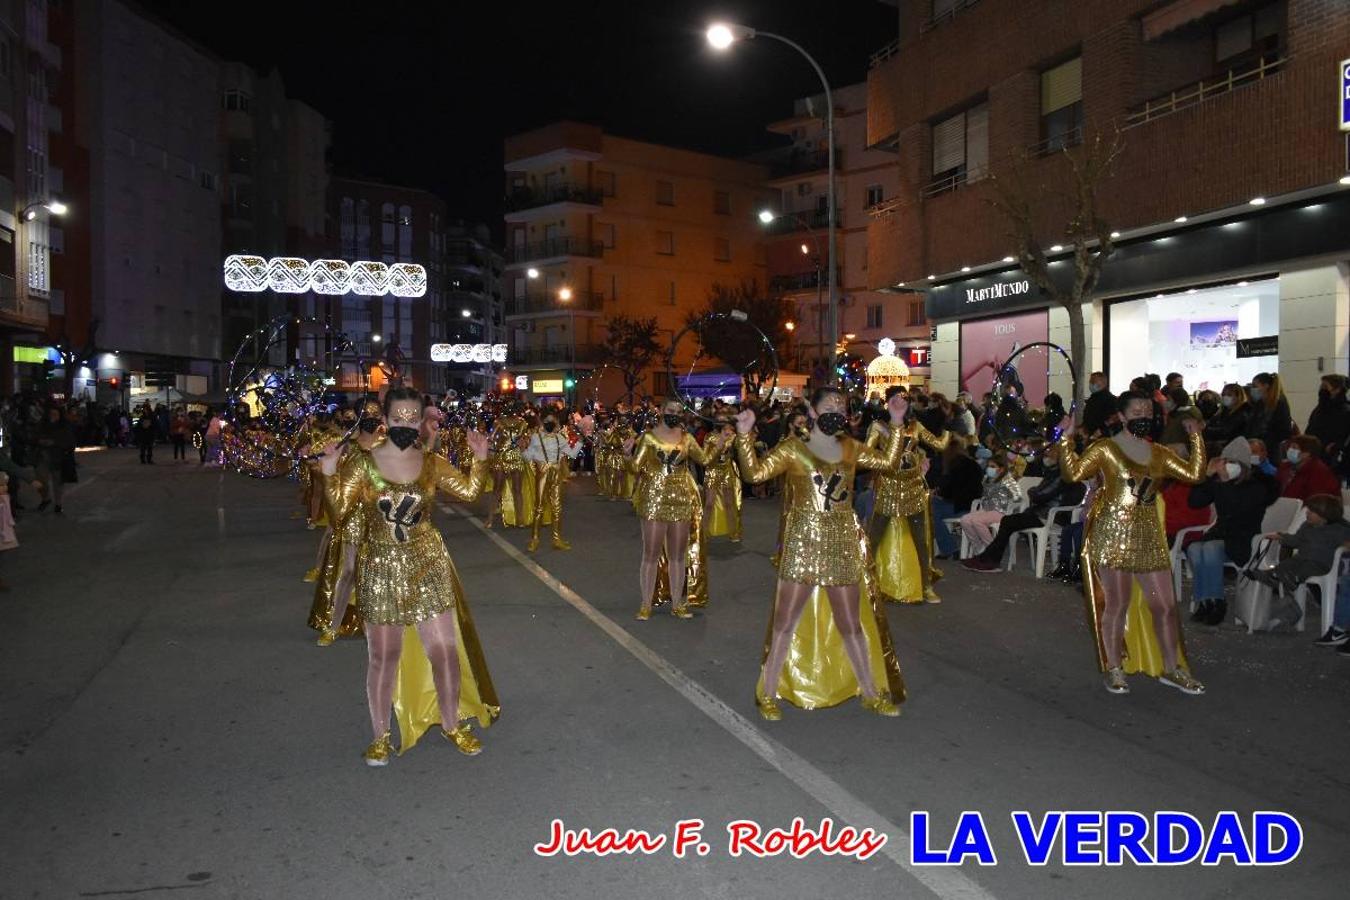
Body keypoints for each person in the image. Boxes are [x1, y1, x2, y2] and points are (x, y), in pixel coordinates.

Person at [320, 386, 497, 764]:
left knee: (445, 651)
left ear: (421, 421)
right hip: (379, 568)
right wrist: (329, 471)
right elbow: (338, 513)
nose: (404, 423)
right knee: (384, 655)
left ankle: (452, 725)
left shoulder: (432, 463)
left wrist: (480, 459)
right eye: (397, 416)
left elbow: (468, 492)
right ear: (383, 420)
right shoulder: (364, 463)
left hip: (427, 564)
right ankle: (380, 736)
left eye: (411, 417)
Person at [734, 388, 910, 720]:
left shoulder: (851, 447)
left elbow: (888, 462)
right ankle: (768, 693)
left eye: (840, 406)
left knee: (851, 624)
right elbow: (754, 474)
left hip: (842, 540)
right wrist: (744, 436)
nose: (835, 410)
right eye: (828, 406)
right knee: (785, 622)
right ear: (812, 412)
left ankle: (870, 692)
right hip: (803, 540)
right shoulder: (794, 448)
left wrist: (897, 422)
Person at [1058, 392, 1208, 696]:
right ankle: (1114, 667)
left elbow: (1194, 474)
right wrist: (1065, 438)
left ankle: (1172, 668)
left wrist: (1196, 439)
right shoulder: (1106, 449)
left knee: (1165, 606)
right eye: (1137, 411)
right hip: (1113, 537)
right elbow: (1072, 473)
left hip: (1149, 538)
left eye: (1148, 411)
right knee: (1117, 605)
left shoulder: (1160, 453)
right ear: (1122, 417)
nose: (1144, 415)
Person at [624, 398, 710, 621]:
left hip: (680, 498)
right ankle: (645, 604)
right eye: (671, 410)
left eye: (679, 411)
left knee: (678, 556)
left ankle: (678, 604)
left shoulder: (687, 438)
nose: (675, 414)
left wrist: (720, 444)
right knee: (651, 554)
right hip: (653, 498)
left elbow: (705, 459)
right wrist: (626, 453)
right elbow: (635, 467)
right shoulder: (650, 437)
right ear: (661, 411)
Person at [866, 386, 950, 603]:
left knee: (921, 540)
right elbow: (866, 454)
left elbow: (939, 445)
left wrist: (948, 424)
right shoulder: (878, 426)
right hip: (886, 487)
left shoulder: (915, 426)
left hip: (912, 487)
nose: (898, 402)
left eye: (902, 398)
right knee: (874, 538)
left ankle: (926, 586)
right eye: (893, 398)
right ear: (887, 402)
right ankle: (866, 584)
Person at [1184, 437, 1280, 626]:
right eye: (1225, 461)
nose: (1227, 466)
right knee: (1195, 548)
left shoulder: (1257, 485)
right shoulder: (1220, 481)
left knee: (1210, 548)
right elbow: (1194, 502)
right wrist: (1206, 477)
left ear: (1243, 465)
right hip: (1222, 534)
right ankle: (1204, 601)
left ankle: (1217, 602)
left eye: (1232, 463)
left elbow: (1237, 509)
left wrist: (1226, 482)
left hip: (1244, 538)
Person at [310, 399, 383, 646]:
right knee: (350, 570)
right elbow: (323, 464)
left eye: (376, 415)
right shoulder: (346, 445)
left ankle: (383, 626)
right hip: (352, 514)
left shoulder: (390, 446)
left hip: (382, 516)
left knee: (383, 571)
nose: (372, 420)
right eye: (367, 416)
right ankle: (333, 625)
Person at [963, 442, 1085, 572]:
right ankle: (988, 558)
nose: (1047, 457)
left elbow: (1040, 495)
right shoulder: (1055, 475)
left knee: (1008, 521)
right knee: (1008, 521)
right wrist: (1035, 492)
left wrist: (1033, 492)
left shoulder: (1062, 478)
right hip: (1041, 513)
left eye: (1051, 455)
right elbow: (1039, 493)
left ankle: (990, 560)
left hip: (1048, 517)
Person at [1256, 494, 1350, 630]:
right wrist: (1282, 537)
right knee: (1288, 564)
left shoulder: (1339, 530)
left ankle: (1287, 578)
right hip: (1302, 558)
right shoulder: (1307, 526)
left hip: (1323, 564)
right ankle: (1274, 574)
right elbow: (1296, 540)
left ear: (1324, 516)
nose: (1307, 513)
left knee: (1307, 568)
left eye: (1311, 512)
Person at [523, 409, 581, 552]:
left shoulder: (560, 438)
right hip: (542, 473)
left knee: (557, 507)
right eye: (547, 421)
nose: (550, 423)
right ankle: (535, 539)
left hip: (556, 474)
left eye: (552, 421)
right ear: (543, 423)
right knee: (539, 507)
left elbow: (572, 454)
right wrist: (523, 449)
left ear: (556, 423)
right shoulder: (536, 438)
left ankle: (556, 539)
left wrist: (580, 442)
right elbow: (528, 456)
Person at [956, 452, 1023, 557]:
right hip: (986, 510)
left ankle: (992, 549)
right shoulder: (987, 479)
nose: (989, 468)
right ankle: (979, 549)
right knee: (965, 520)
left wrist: (1009, 496)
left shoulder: (1008, 479)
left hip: (1001, 511)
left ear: (1001, 469)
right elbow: (982, 494)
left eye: (992, 466)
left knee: (976, 521)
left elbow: (1018, 497)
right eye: (988, 466)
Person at [485, 401, 530, 529]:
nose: (511, 411)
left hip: (514, 457)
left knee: (516, 489)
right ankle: (490, 519)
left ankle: (520, 518)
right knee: (498, 489)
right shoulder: (498, 422)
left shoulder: (522, 423)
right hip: (502, 457)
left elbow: (526, 439)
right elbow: (491, 438)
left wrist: (524, 442)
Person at [701, 416, 742, 543]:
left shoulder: (733, 436)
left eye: (727, 424)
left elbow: (744, 445)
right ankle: (703, 532)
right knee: (708, 504)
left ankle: (733, 532)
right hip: (712, 471)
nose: (727, 427)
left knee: (729, 503)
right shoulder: (709, 437)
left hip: (726, 472)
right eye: (722, 422)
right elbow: (705, 457)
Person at [33, 406, 75, 515]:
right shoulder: (42, 424)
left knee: (58, 482)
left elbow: (69, 441)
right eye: (51, 414)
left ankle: (58, 504)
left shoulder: (64, 426)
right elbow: (35, 436)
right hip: (43, 456)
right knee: (40, 480)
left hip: (58, 458)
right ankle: (46, 498)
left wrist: (55, 442)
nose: (53, 416)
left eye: (56, 414)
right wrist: (41, 441)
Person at [1305, 374, 1350, 467]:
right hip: (1315, 457)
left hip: (1334, 461)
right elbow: (1310, 429)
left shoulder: (1346, 411)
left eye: (1325, 386)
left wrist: (1336, 447)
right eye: (1321, 386)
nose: (1322, 389)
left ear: (1337, 389)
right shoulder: (1319, 409)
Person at [1277, 435, 1340, 500]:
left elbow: (1317, 499)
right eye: (1289, 447)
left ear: (1307, 453)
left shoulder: (1319, 472)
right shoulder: (1285, 466)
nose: (1289, 450)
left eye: (1294, 448)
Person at [1249, 372, 1294, 453]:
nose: (1252, 389)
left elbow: (1283, 430)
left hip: (1272, 448)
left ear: (1266, 386)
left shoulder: (1279, 403)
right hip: (1258, 446)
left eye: (1255, 386)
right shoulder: (1259, 404)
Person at [1080, 372, 1118, 439]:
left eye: (1093, 382)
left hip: (1102, 437)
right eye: (1090, 382)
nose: (1091, 384)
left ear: (1102, 383)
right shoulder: (1092, 399)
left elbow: (1113, 419)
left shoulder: (1110, 400)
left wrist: (1101, 430)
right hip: (1090, 435)